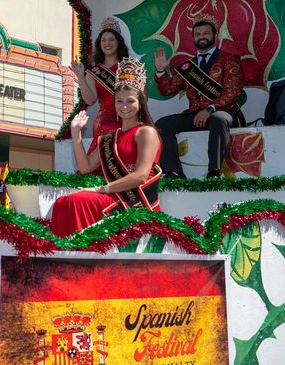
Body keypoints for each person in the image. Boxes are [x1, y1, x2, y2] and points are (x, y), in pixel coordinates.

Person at [50, 57, 162, 237]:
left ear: (140, 103)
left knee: (74, 202)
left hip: (135, 202)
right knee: (63, 202)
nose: (124, 106)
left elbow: (140, 176)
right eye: (119, 101)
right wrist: (76, 133)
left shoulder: (146, 132)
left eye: (130, 101)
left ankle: (81, 253)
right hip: (115, 196)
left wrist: (101, 189)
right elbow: (85, 167)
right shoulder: (109, 138)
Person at [154, 15, 244, 178]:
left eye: (206, 33)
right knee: (161, 125)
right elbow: (167, 89)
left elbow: (233, 92)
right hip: (196, 115)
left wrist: (210, 109)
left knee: (218, 119)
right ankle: (174, 172)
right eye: (198, 34)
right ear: (193, 38)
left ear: (214, 36)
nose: (202, 36)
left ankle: (214, 171)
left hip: (223, 112)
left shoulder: (229, 59)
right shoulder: (188, 66)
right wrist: (161, 71)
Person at [69, 16, 129, 153]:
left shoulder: (128, 66)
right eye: (104, 40)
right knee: (107, 126)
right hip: (106, 116)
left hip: (128, 112)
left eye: (111, 40)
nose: (107, 43)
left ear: (118, 42)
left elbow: (142, 95)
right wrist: (81, 77)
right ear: (99, 44)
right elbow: (90, 100)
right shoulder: (95, 71)